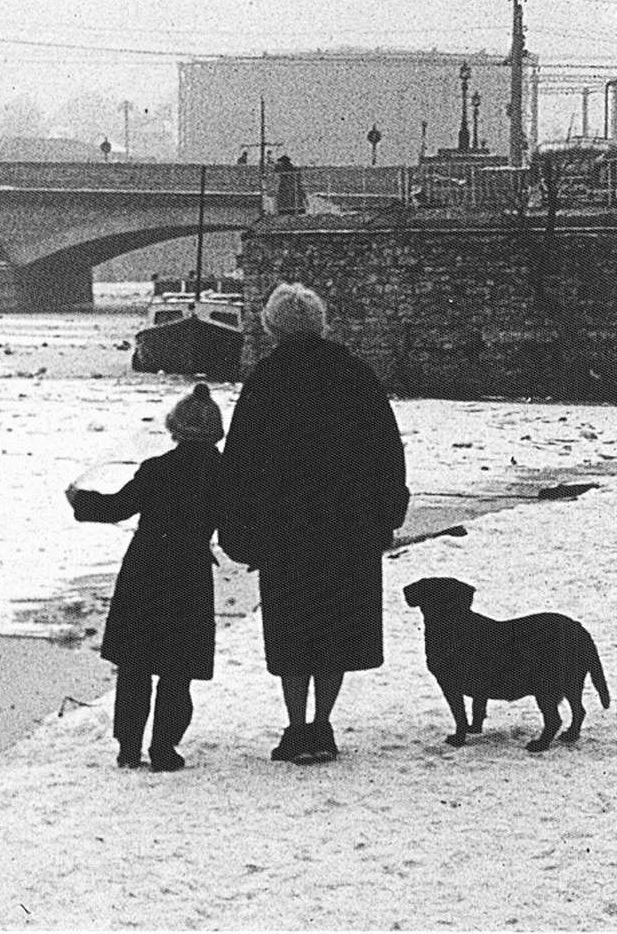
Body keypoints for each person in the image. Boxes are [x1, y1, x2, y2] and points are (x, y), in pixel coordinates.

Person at [218, 283, 409, 765]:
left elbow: (241, 458)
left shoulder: (266, 378)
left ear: (273, 327)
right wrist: (387, 514)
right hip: (348, 525)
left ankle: (296, 724)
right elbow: (387, 449)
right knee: (337, 629)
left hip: (285, 528)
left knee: (292, 627)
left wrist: (238, 527)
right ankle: (323, 722)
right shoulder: (355, 373)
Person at [68, 383, 226, 772]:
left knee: (135, 663)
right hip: (190, 570)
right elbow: (239, 525)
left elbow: (117, 508)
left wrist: (81, 501)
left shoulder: (156, 468)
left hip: (146, 566)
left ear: (174, 428)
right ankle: (164, 748)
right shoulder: (224, 473)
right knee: (177, 668)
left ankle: (128, 748)